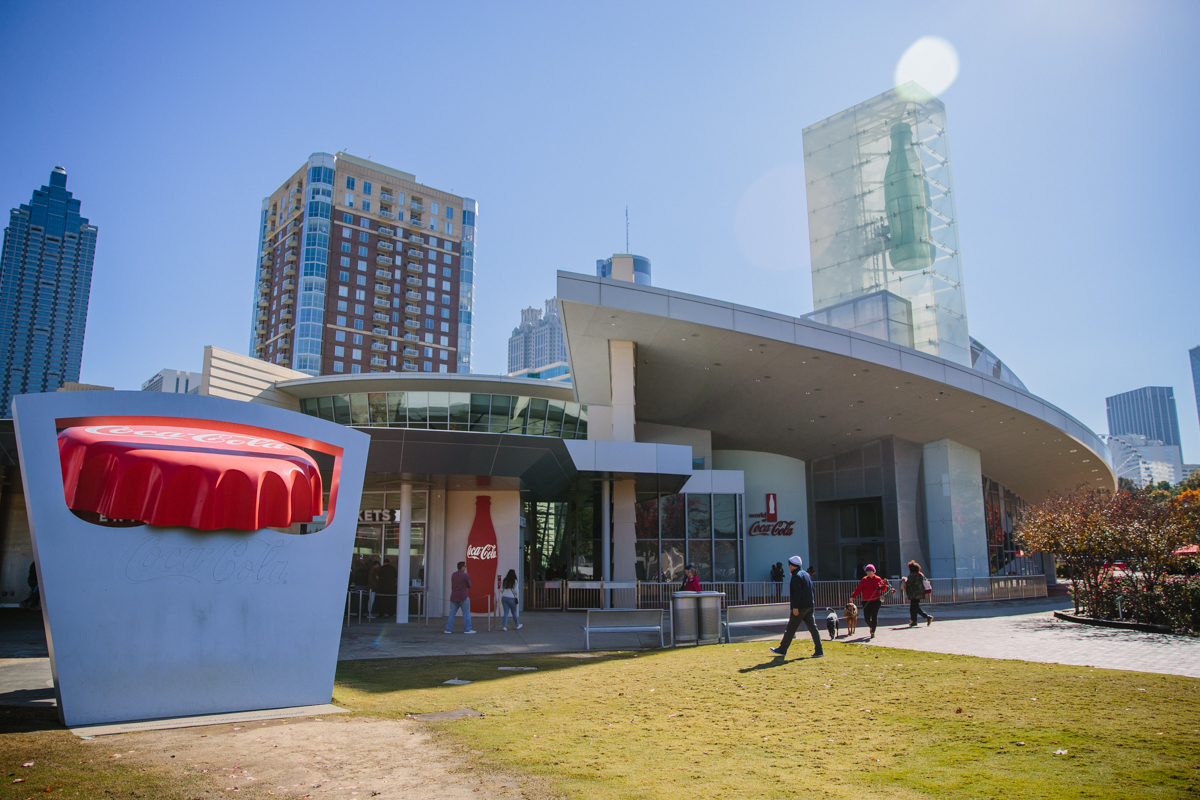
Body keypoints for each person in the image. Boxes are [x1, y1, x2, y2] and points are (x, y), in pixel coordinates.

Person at [769, 556, 823, 659]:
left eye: (789, 564)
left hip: (800, 607)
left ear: (793, 566)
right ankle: (819, 650)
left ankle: (782, 649)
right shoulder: (806, 575)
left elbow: (797, 593)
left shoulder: (796, 576)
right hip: (809, 606)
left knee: (791, 628)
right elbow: (812, 589)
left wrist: (795, 607)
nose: (788, 566)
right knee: (813, 628)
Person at [849, 564, 891, 638]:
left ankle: (873, 631)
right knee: (866, 618)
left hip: (876, 600)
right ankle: (871, 626)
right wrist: (853, 596)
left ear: (873, 571)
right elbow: (858, 589)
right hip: (866, 601)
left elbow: (883, 589)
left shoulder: (878, 579)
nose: (869, 573)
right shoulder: (864, 580)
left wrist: (885, 584)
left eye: (870, 571)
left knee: (874, 616)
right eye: (867, 571)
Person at [444, 561, 475, 634]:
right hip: (463, 596)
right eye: (465, 566)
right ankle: (467, 629)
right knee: (466, 613)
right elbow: (469, 585)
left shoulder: (453, 575)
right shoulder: (465, 575)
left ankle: (448, 629)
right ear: (462, 567)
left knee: (452, 613)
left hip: (454, 596)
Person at [904, 560, 934, 627]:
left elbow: (909, 583)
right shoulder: (920, 574)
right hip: (920, 592)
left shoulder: (913, 575)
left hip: (914, 593)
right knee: (914, 606)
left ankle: (926, 617)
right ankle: (914, 621)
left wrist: (904, 580)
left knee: (914, 607)